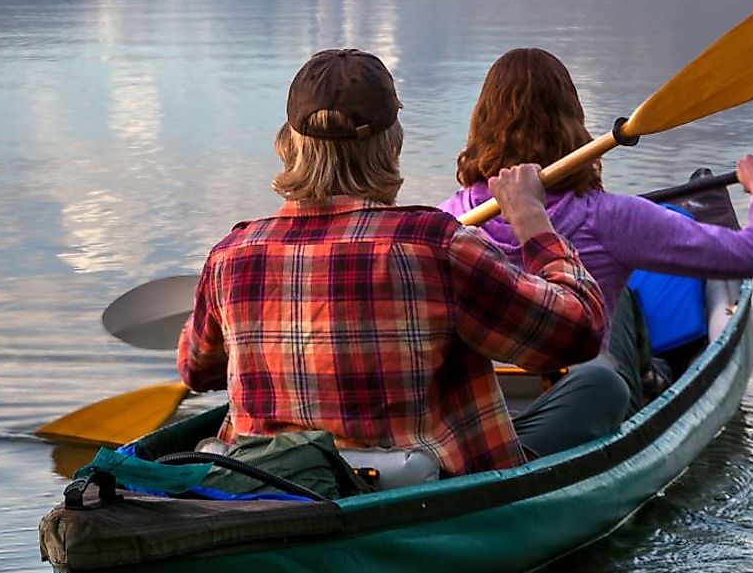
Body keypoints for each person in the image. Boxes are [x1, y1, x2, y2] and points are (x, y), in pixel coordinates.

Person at [178, 48, 608, 479]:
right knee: (600, 385)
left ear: (288, 145)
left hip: (268, 483)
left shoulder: (230, 255)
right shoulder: (436, 245)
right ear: (392, 143)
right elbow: (578, 334)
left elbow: (197, 369)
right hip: (420, 491)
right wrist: (532, 221)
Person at [439, 48, 753, 446]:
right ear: (572, 121)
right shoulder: (611, 219)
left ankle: (651, 371)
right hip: (588, 398)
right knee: (623, 296)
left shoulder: (448, 218)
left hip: (479, 407)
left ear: (480, 123)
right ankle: (653, 375)